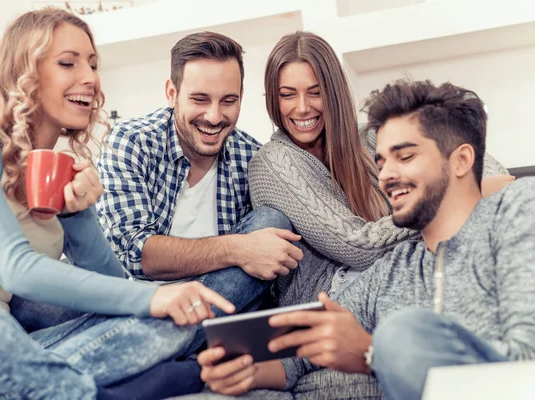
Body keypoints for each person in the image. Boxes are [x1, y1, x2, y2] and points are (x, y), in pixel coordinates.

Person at [0, 9, 235, 400]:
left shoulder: (62, 171)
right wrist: (153, 293)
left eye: (93, 64)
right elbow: (15, 270)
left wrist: (79, 214)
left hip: (7, 358)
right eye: (68, 62)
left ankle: (16, 392)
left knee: (168, 323)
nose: (91, 77)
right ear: (24, 71)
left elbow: (113, 292)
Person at [197, 79, 535, 400]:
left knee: (403, 331)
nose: (386, 174)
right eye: (382, 162)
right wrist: (246, 370)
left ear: (461, 160)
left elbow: (527, 359)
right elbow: (300, 356)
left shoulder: (515, 216)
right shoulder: (393, 269)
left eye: (405, 157)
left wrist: (371, 352)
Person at [248, 31, 511, 309]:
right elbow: (358, 247)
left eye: (315, 92)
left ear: (333, 92)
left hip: (397, 266)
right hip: (331, 295)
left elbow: (488, 172)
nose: (302, 108)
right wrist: (448, 199)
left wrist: (478, 188)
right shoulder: (272, 163)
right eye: (287, 95)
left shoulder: (371, 137)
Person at [96, 31, 303, 352]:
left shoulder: (253, 157)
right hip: (139, 305)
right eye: (200, 99)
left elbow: (267, 266)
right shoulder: (130, 141)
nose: (214, 116)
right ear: (171, 92)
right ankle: (162, 350)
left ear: (242, 96)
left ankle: (156, 351)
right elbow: (138, 255)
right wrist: (237, 249)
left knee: (271, 221)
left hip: (218, 308)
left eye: (228, 101)